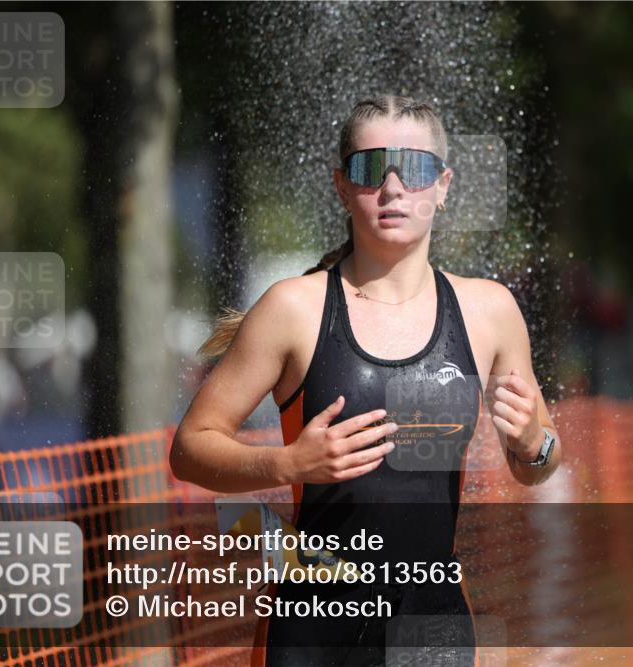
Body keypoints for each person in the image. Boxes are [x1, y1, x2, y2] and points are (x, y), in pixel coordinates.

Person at [170, 94, 561, 666]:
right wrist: (286, 465)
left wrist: (533, 443)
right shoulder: (293, 309)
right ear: (342, 185)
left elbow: (540, 463)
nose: (395, 186)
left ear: (445, 185)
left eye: (418, 169)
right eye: (371, 167)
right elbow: (189, 448)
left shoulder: (488, 311)